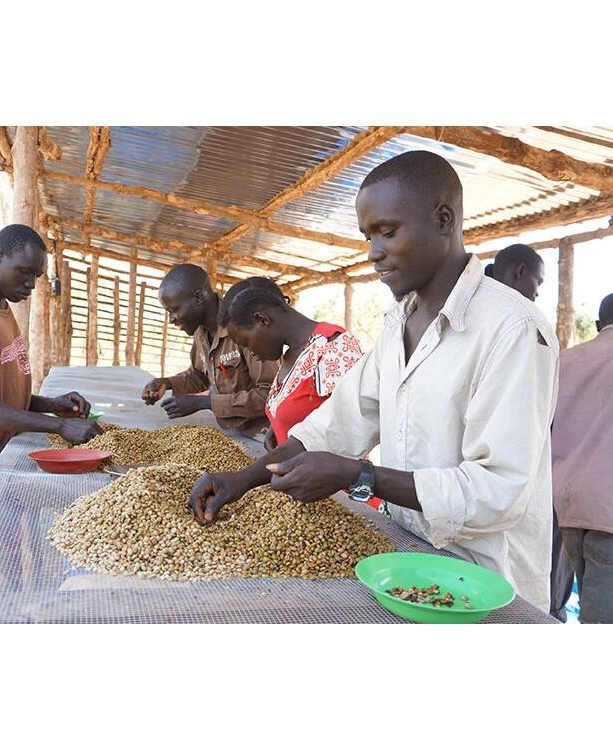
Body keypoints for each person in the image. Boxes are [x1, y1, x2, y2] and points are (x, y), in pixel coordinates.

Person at [189, 150, 559, 611]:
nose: (373, 253)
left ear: (444, 219)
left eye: (387, 232)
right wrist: (242, 479)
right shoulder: (396, 324)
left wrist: (360, 475)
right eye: (368, 236)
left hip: (486, 590)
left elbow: (498, 491)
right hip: (407, 562)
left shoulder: (513, 329)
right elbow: (335, 425)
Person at [0, 224, 102, 521]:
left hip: (4, 462)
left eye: (36, 276)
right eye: (24, 272)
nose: (31, 285)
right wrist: (59, 427)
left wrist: (50, 404)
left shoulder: (2, 307)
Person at [485, 243, 573, 621]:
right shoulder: (524, 324)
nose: (536, 292)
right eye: (536, 283)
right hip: (504, 502)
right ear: (519, 271)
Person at [218, 276, 364, 452]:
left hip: (336, 479)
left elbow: (353, 432)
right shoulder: (289, 356)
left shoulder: (333, 348)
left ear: (262, 320)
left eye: (247, 343)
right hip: (297, 477)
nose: (249, 352)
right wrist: (278, 425)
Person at [141, 263, 278, 439]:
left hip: (265, 436)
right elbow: (199, 375)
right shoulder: (201, 331)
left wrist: (205, 402)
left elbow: (270, 395)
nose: (171, 319)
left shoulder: (243, 324)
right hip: (235, 431)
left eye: (173, 310)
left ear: (198, 297)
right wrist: (166, 383)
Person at [551, 293, 613, 623]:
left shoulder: (565, 361)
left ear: (599, 325)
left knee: (590, 600)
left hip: (568, 505)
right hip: (609, 513)